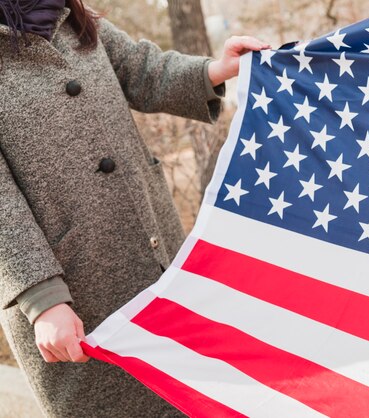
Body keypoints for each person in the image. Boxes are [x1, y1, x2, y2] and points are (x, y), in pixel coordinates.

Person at [0, 0, 269, 416]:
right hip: (71, 296)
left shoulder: (71, 18)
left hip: (155, 261)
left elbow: (145, 71)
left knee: (199, 399)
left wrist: (217, 69)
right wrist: (42, 298)